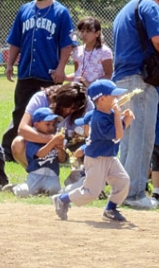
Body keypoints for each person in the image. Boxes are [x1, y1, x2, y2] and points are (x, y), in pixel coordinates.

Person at [112, 0, 159, 210]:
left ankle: (122, 190)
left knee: (129, 140)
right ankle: (134, 193)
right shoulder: (149, 5)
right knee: (142, 138)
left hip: (122, 80)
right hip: (139, 80)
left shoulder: (125, 9)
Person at [1, 0, 74, 158]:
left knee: (50, 114)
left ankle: (52, 150)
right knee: (20, 111)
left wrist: (61, 68)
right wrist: (10, 64)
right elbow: (15, 40)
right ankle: (13, 150)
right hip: (26, 72)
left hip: (48, 74)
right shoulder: (24, 10)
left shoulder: (60, 12)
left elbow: (67, 44)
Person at [52, 79, 133, 222]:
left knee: (123, 181)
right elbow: (118, 134)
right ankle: (62, 199)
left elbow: (116, 126)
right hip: (96, 158)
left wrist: (120, 117)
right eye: (113, 96)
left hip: (109, 156)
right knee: (91, 192)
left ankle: (110, 209)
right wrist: (123, 120)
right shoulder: (98, 119)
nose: (117, 99)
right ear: (101, 99)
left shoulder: (107, 113)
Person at [10, 82, 91, 167]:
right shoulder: (41, 98)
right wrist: (52, 140)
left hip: (74, 148)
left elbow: (95, 130)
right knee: (18, 143)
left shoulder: (85, 103)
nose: (68, 111)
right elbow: (22, 129)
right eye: (65, 106)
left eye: (73, 109)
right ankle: (35, 172)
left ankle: (83, 175)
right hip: (44, 146)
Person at [12, 107, 67, 197]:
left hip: (52, 176)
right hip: (35, 176)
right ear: (36, 125)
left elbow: (62, 159)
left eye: (53, 124)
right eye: (47, 124)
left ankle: (42, 191)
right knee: (23, 191)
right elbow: (40, 154)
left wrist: (60, 149)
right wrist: (52, 141)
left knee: (55, 191)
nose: (51, 127)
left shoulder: (54, 137)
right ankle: (15, 188)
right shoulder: (33, 139)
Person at [69, 16, 113, 86]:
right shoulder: (77, 51)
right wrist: (64, 77)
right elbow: (77, 72)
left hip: (96, 91)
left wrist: (91, 84)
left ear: (97, 33)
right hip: (79, 89)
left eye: (88, 31)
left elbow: (108, 75)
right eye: (82, 31)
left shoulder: (105, 51)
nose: (84, 34)